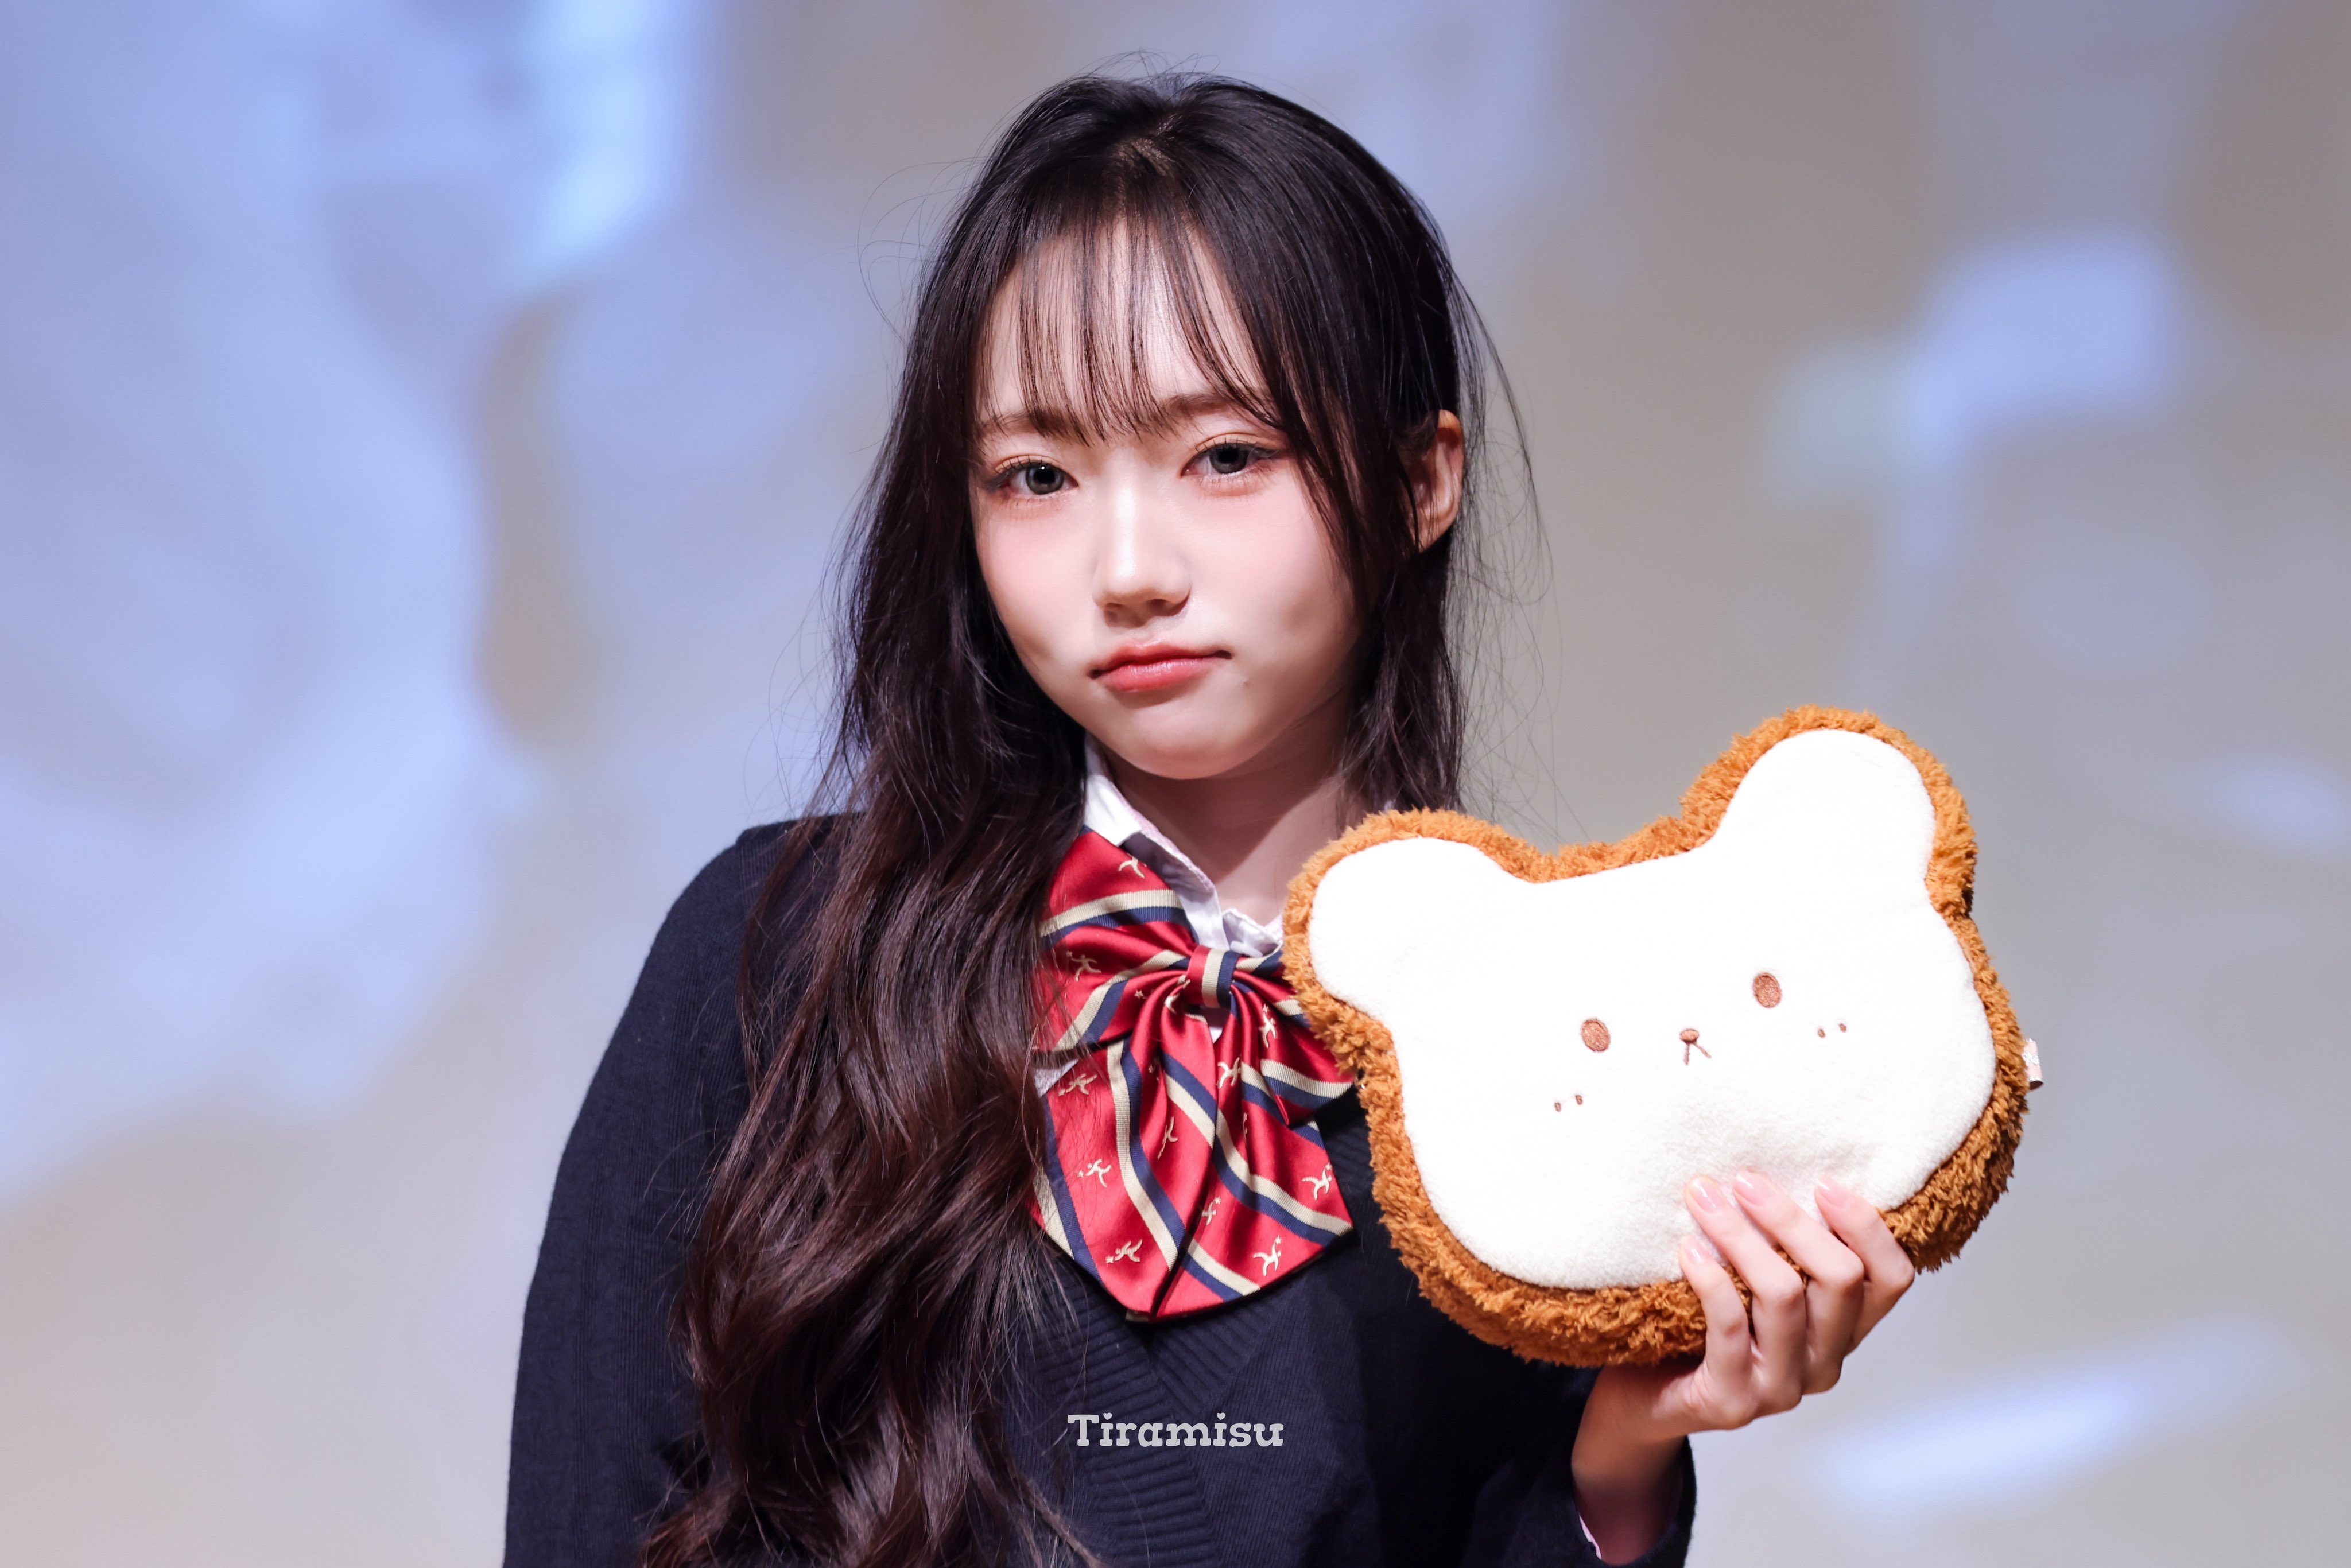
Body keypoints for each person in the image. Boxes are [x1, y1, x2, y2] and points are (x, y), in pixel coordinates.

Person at [504, 70, 1917, 1568]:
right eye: (1036, 475)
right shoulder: (780, 957)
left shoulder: (1535, 1037)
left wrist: (1624, 1461)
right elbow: (589, 1514)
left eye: (1225, 457)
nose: (1129, 568)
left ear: (1420, 478)